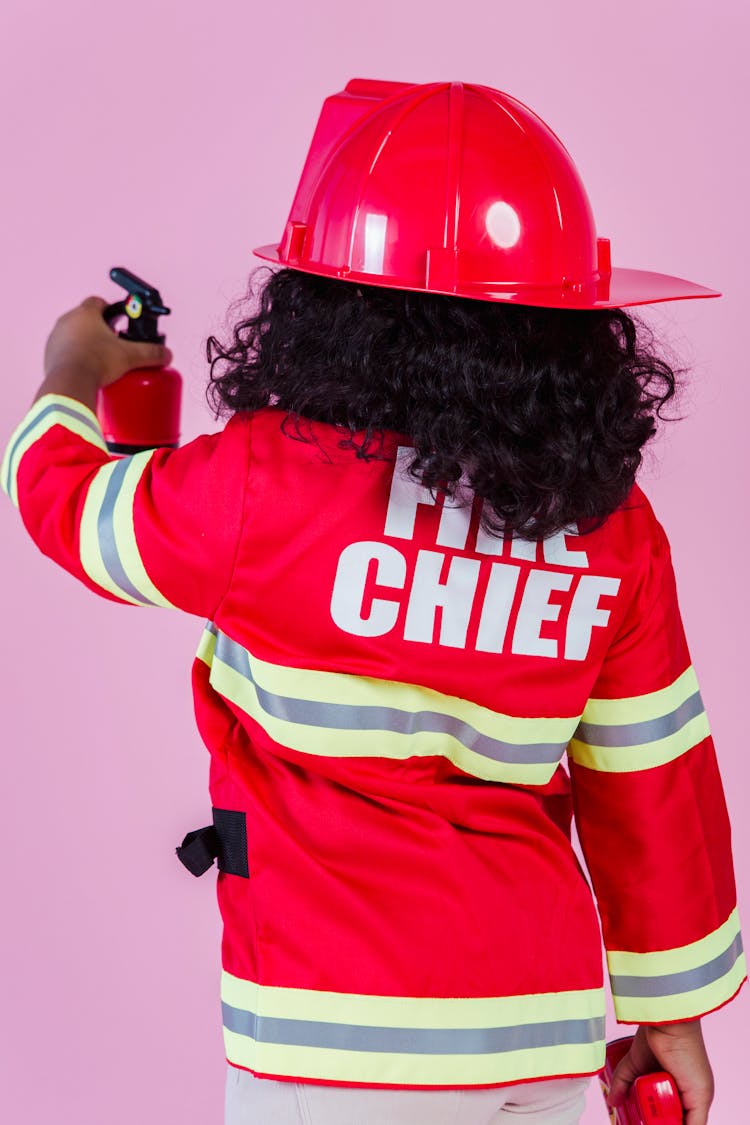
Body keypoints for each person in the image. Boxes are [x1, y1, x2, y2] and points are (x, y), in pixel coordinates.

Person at [2, 79, 745, 1125]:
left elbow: (68, 508)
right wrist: (674, 1018)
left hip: (327, 1039)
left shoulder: (261, 484)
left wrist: (72, 373)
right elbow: (652, 781)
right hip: (538, 1034)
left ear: (328, 313)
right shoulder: (609, 527)